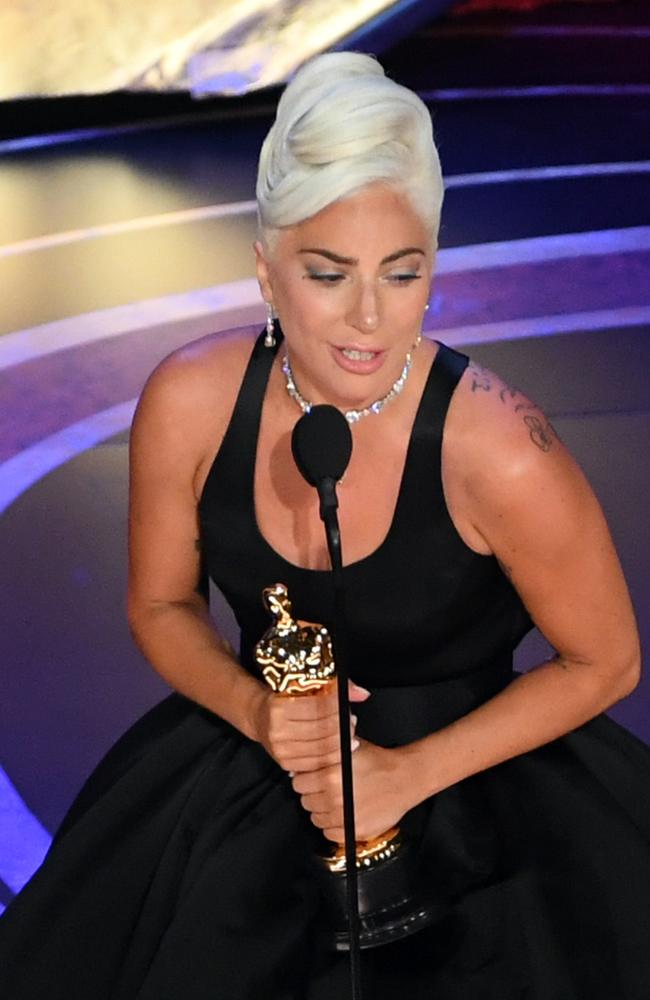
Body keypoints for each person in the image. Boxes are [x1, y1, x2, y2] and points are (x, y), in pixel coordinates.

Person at [1, 51, 649, 1000]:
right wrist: (259, 714)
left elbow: (610, 661)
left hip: (485, 802)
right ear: (265, 270)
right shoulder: (188, 402)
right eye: (326, 273)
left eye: (402, 273)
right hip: (251, 772)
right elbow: (160, 605)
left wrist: (404, 775)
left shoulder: (502, 448)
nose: (368, 317)